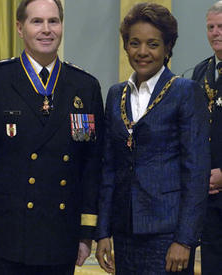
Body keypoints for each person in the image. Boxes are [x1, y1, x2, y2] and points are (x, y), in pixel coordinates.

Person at [0, 0, 104, 274]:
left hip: (62, 233)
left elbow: (91, 166)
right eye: (36, 21)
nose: (46, 29)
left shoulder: (85, 87)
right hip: (11, 233)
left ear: (62, 26)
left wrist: (86, 232)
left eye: (54, 21)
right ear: (19, 28)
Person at [95, 2, 210, 274]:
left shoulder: (185, 92)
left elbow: (196, 173)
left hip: (168, 234)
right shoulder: (115, 94)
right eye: (135, 43)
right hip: (124, 232)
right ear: (126, 46)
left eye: (153, 44)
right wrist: (102, 232)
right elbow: (108, 167)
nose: (142, 52)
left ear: (168, 47)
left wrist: (184, 239)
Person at [191, 1, 222, 274]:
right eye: (210, 27)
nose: (215, 32)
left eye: (221, 26)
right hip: (208, 192)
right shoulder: (201, 72)